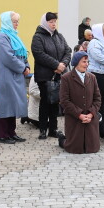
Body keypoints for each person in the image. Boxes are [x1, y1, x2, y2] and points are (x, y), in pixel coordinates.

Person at [31, 12, 71, 140]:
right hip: (44, 75)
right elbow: (39, 54)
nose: (53, 24)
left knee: (55, 102)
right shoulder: (38, 37)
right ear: (45, 22)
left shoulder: (59, 36)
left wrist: (63, 64)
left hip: (59, 75)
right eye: (51, 22)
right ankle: (43, 129)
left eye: (54, 21)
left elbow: (67, 51)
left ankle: (53, 129)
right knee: (45, 102)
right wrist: (56, 65)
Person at [0, 11, 30, 144]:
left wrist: (27, 65)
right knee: (6, 104)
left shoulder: (14, 36)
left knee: (14, 104)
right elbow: (8, 57)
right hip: (6, 76)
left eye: (17, 21)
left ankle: (12, 132)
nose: (16, 24)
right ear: (8, 22)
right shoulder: (2, 37)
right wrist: (23, 68)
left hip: (15, 75)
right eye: (14, 22)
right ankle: (3, 134)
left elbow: (22, 52)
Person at [59, 51, 102, 153]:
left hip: (90, 119)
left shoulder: (92, 77)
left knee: (92, 148)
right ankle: (61, 139)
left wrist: (91, 114)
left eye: (87, 62)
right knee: (73, 147)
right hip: (75, 119)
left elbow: (97, 99)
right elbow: (64, 100)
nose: (86, 64)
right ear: (76, 62)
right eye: (84, 62)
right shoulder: (66, 78)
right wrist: (79, 115)